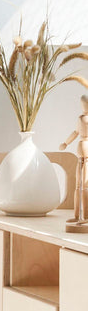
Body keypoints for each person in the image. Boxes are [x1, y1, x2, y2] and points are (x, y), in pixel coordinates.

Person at [60, 94, 88, 228]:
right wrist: (65, 143)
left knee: (84, 185)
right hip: (81, 154)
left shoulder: (84, 119)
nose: (83, 106)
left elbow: (76, 133)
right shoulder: (81, 118)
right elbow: (76, 132)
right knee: (78, 186)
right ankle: (77, 215)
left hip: (86, 154)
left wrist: (66, 143)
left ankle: (85, 216)